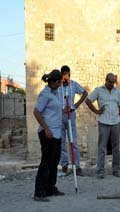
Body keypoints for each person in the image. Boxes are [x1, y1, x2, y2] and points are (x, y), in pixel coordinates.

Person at [85, 73, 120, 179]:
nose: (111, 84)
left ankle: (116, 170)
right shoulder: (99, 90)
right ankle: (100, 171)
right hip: (103, 122)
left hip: (115, 122)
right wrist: (96, 111)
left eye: (113, 82)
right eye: (110, 81)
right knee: (102, 147)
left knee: (116, 147)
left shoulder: (117, 92)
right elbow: (88, 100)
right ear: (106, 80)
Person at [33, 69, 65, 202]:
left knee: (54, 162)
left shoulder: (56, 93)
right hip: (48, 133)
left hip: (57, 133)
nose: (60, 85)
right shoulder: (45, 94)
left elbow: (56, 110)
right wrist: (46, 129)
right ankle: (39, 192)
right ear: (55, 81)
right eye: (59, 82)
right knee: (46, 163)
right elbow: (36, 112)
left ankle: (50, 188)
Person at [58, 65, 88, 176]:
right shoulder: (58, 86)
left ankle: (77, 166)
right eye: (63, 76)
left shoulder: (74, 84)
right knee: (61, 142)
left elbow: (85, 93)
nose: (65, 78)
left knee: (73, 141)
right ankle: (64, 165)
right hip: (60, 115)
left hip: (71, 114)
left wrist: (77, 104)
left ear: (69, 75)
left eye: (67, 76)